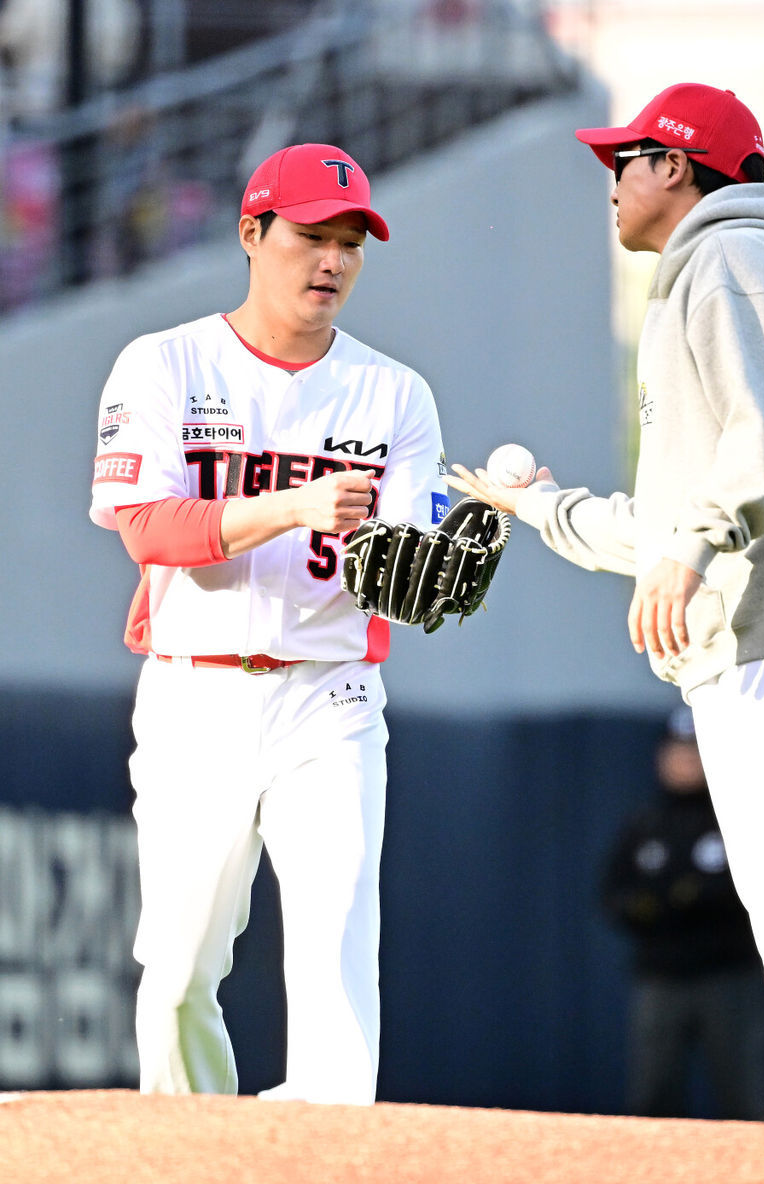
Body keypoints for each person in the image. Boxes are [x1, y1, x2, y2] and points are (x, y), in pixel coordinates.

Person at [446, 83, 764, 1135]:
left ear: (675, 166)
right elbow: (680, 515)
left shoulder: (735, 254)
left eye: (620, 160)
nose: (609, 181)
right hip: (745, 632)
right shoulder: (699, 276)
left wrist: (690, 546)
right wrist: (544, 509)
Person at [89, 142, 451, 1104]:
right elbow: (150, 530)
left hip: (329, 695)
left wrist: (459, 546)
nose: (331, 260)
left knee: (336, 947)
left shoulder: (395, 394)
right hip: (195, 687)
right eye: (310, 236)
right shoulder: (163, 363)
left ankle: (328, 1157)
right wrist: (290, 508)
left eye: (350, 242)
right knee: (175, 974)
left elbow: (405, 576)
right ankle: (189, 1155)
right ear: (252, 234)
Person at [601, 704, 764, 1120]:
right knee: (653, 1099)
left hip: (728, 977)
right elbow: (614, 895)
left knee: (743, 1098)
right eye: (677, 751)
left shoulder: (736, 818)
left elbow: (750, 892)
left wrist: (688, 899)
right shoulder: (644, 824)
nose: (684, 762)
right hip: (661, 978)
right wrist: (653, 905)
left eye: (694, 752)